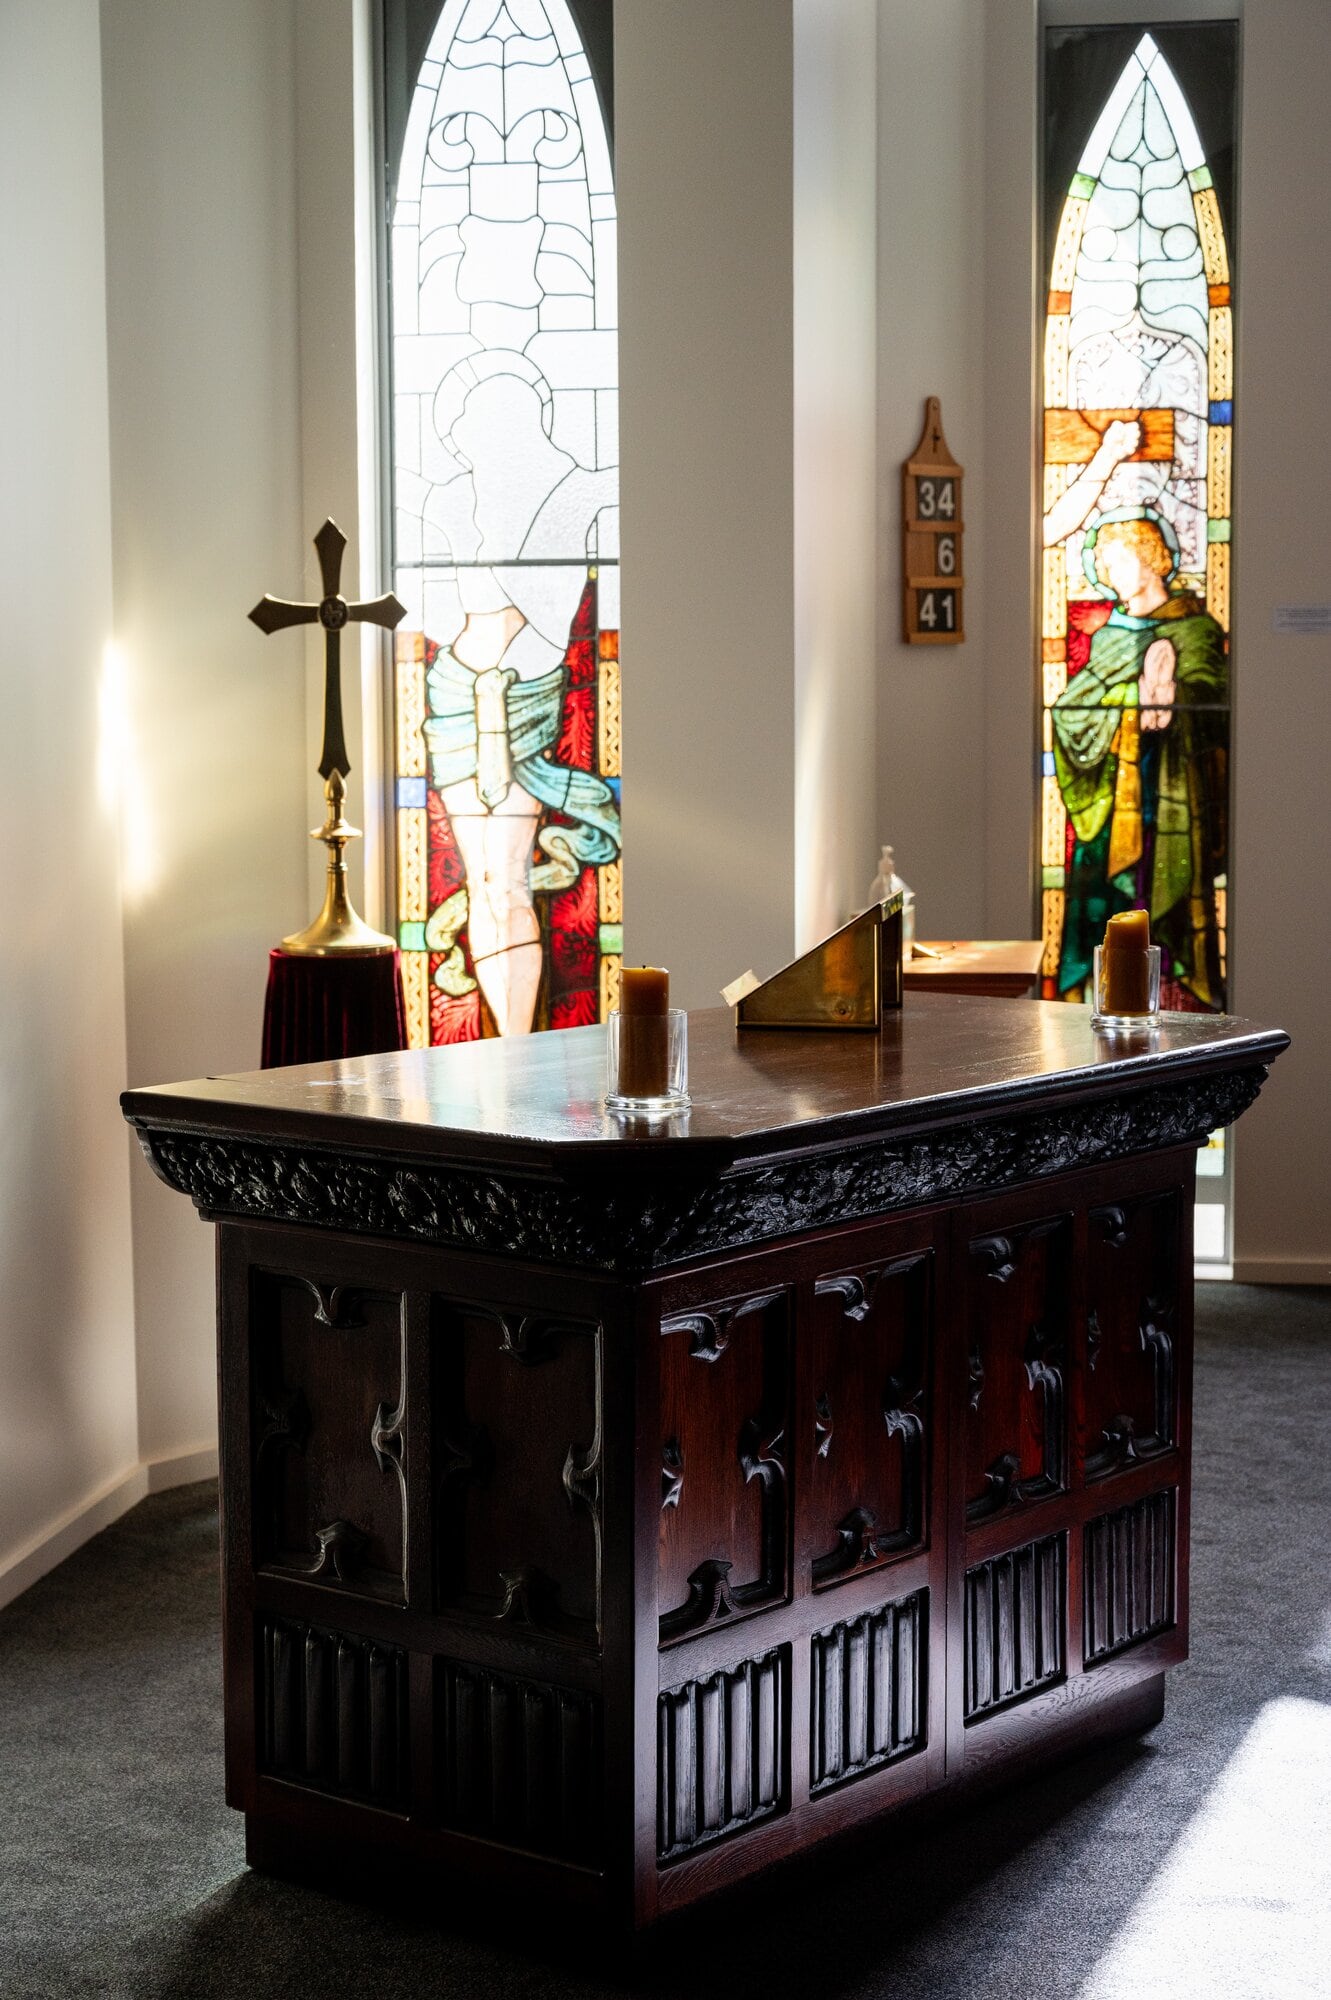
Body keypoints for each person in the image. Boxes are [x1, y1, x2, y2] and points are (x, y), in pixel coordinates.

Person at [1052, 512, 1227, 1007]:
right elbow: (1068, 712)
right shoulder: (1110, 637)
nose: (1108, 574)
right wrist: (1133, 701)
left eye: (1117, 561)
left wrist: (1172, 705)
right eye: (1104, 565)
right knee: (1107, 914)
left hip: (1170, 802)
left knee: (1163, 908)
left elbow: (1214, 710)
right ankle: (1095, 1010)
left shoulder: (1195, 631)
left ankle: (1176, 1014)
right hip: (1108, 811)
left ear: (1150, 560)